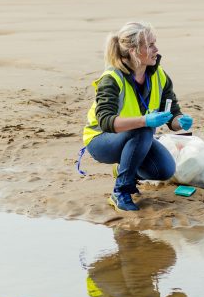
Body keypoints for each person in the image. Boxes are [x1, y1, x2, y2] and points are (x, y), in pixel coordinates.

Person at [82, 22, 194, 212]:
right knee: (144, 129)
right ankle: (121, 191)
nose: (156, 49)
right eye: (150, 45)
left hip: (136, 137)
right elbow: (106, 122)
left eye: (154, 43)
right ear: (133, 51)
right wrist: (144, 121)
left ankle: (125, 170)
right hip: (100, 140)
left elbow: (172, 115)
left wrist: (179, 121)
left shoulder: (160, 75)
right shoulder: (112, 78)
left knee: (165, 170)